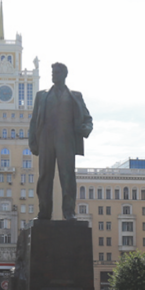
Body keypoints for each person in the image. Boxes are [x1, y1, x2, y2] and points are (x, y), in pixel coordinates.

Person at [28, 62, 93, 220]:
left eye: (56, 72)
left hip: (66, 141)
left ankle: (68, 212)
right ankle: (44, 212)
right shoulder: (41, 96)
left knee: (68, 176)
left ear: (64, 75)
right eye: (52, 72)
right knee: (44, 177)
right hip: (46, 141)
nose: (53, 75)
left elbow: (87, 118)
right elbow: (34, 121)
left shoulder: (75, 96)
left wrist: (86, 128)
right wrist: (33, 142)